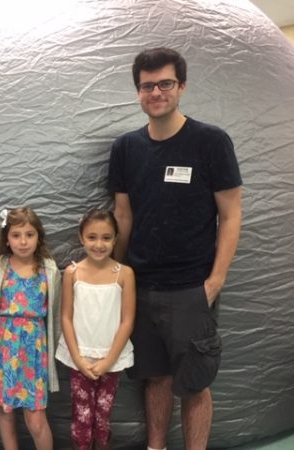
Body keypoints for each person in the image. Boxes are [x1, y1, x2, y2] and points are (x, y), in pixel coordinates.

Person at [108, 47, 242, 450]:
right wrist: (117, 276)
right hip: (142, 286)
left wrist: (215, 281)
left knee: (195, 385)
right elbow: (123, 216)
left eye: (165, 83)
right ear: (138, 92)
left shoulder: (211, 142)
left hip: (192, 289)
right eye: (147, 86)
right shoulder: (126, 148)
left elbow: (231, 215)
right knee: (156, 379)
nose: (156, 92)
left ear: (181, 86)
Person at [0, 207, 61, 450]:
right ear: (7, 238)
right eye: (16, 235)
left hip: (34, 352)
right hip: (3, 349)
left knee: (35, 419)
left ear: (39, 237)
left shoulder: (49, 269)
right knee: (5, 410)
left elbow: (55, 316)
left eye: (29, 234)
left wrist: (52, 356)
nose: (23, 241)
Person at [56, 209, 135, 450]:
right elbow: (66, 317)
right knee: (81, 419)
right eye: (92, 237)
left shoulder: (125, 274)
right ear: (81, 238)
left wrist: (108, 360)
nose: (98, 244)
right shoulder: (72, 273)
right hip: (79, 359)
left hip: (111, 360)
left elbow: (127, 321)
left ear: (115, 238)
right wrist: (78, 359)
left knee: (102, 419)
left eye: (106, 237)